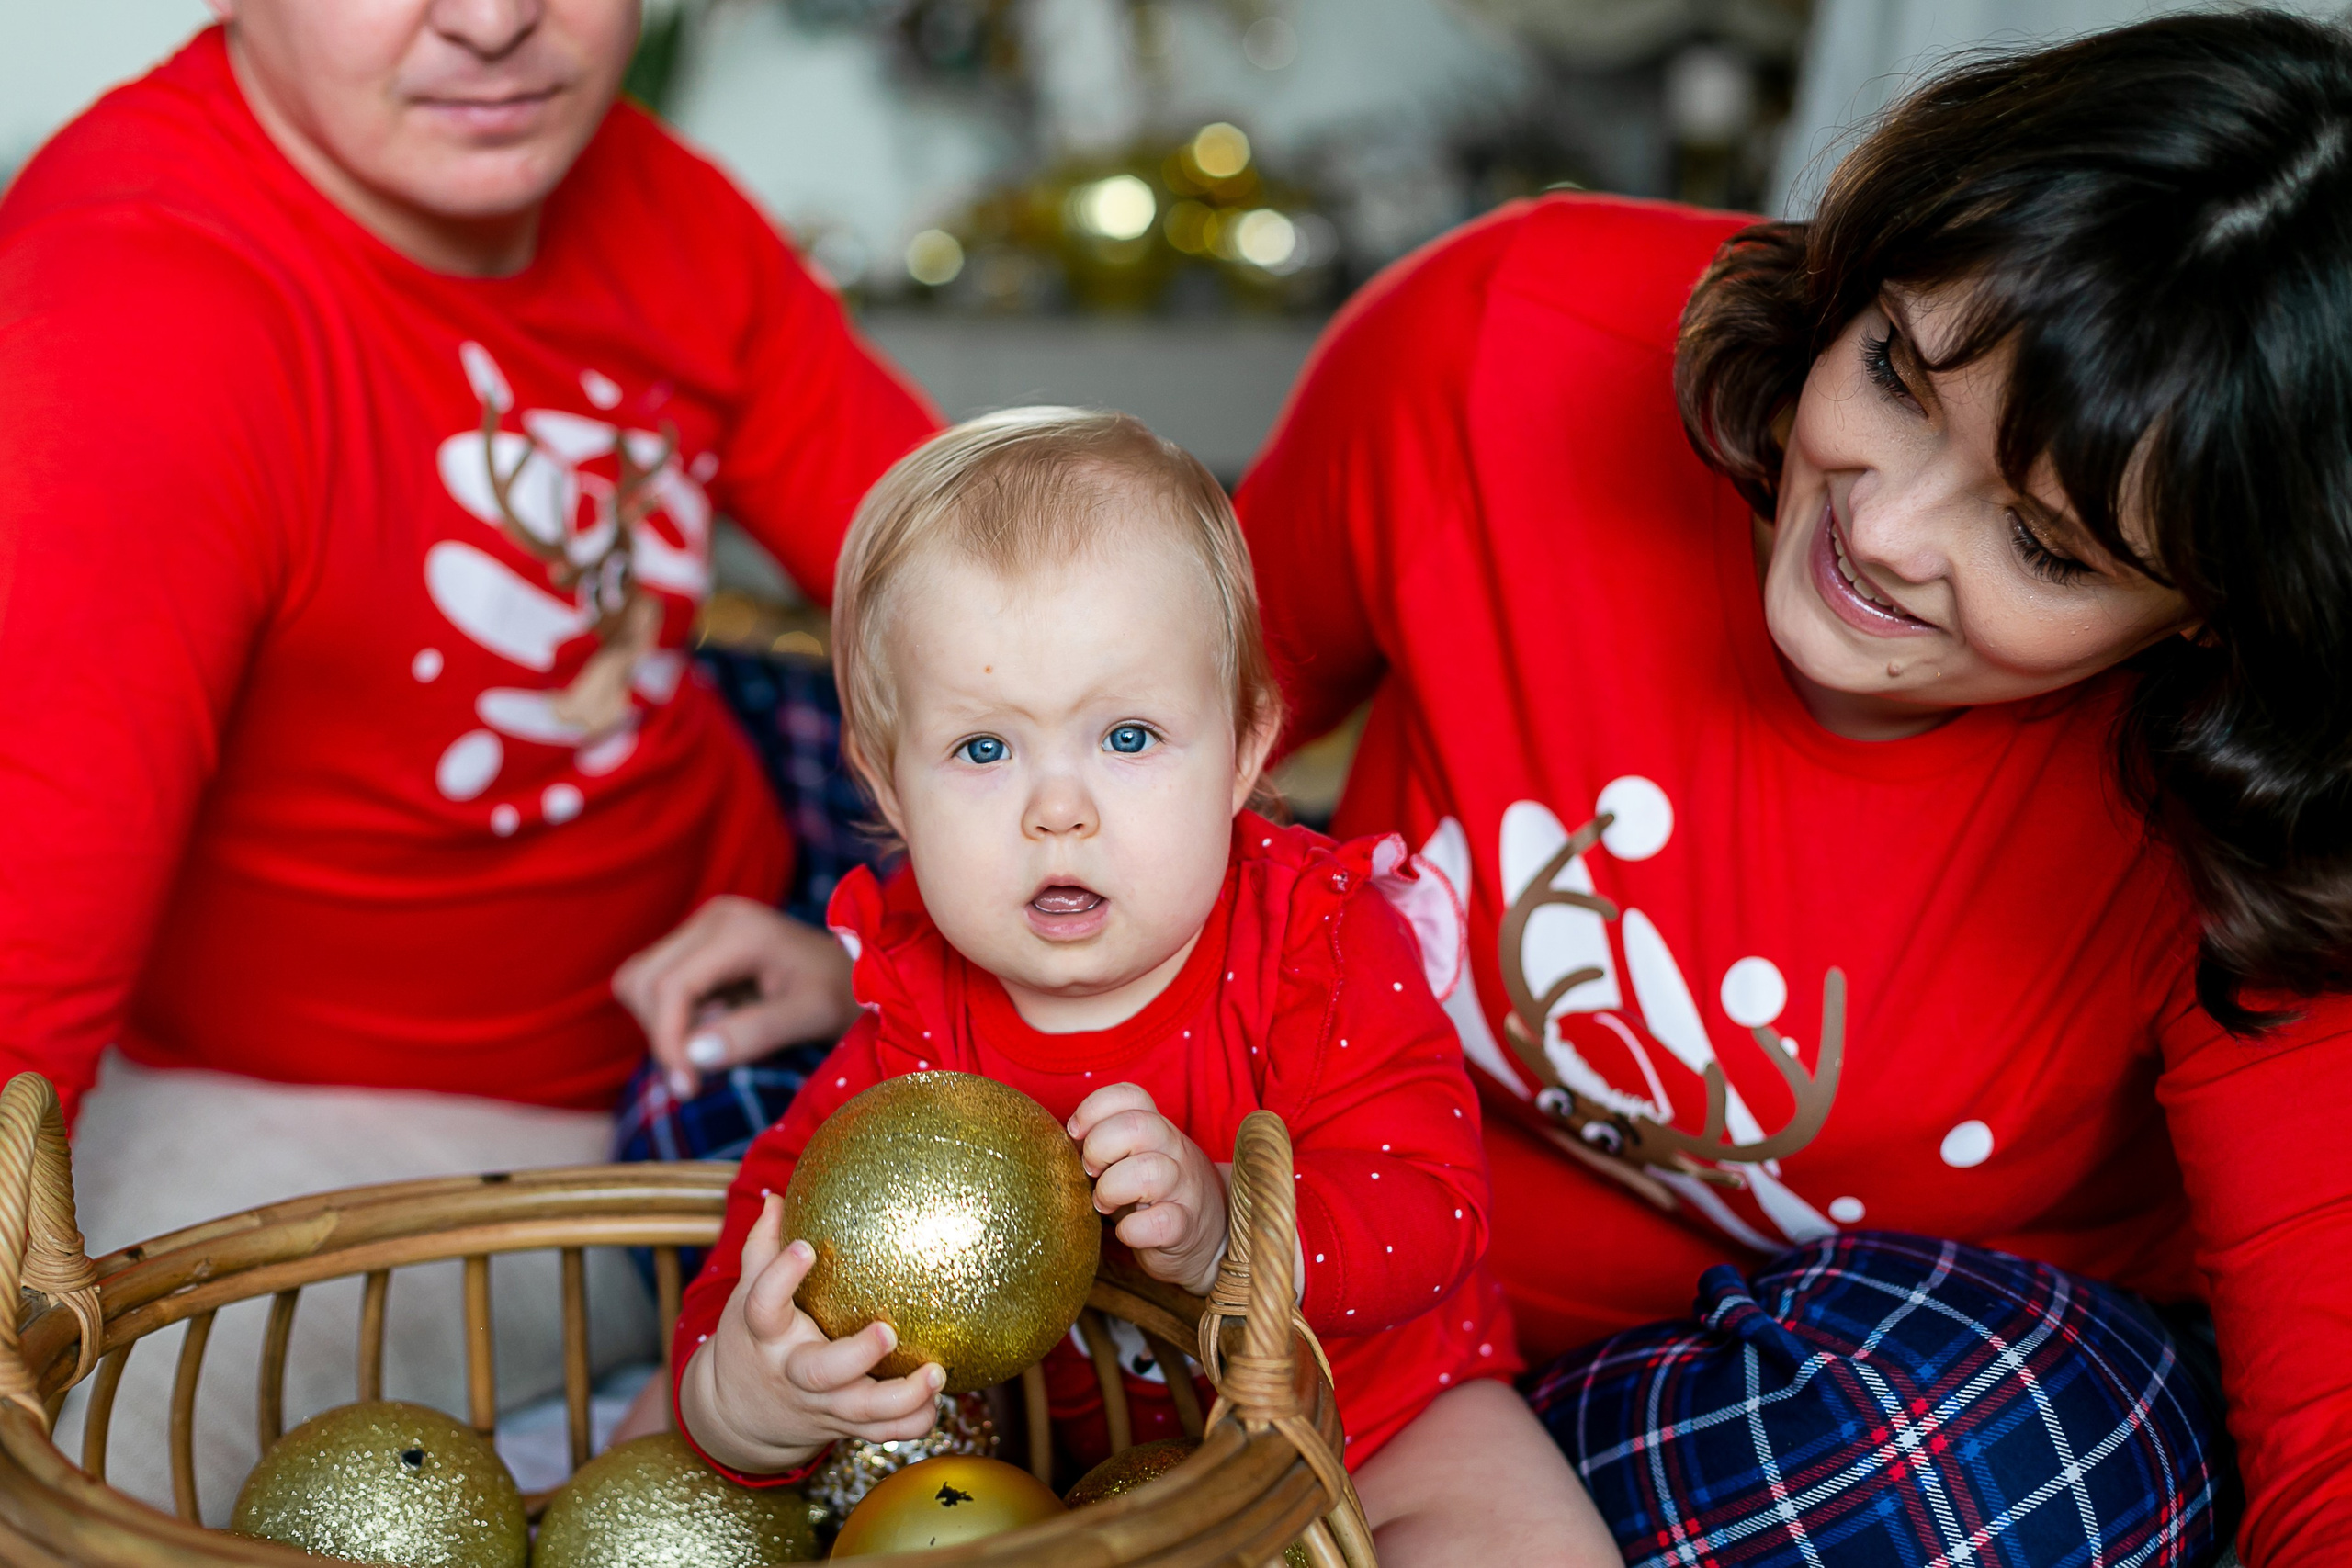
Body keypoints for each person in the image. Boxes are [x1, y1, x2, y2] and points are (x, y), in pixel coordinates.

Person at [1235, 10, 2352, 1567]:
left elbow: (2334, 1441)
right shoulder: (1507, 345)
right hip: (1347, 1316)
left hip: (1809, 1452)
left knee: (1987, 1454)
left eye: (2041, 545)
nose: (1886, 530)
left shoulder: (2271, 828)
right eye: (1897, 373)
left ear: (2214, 611)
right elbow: (1138, 726)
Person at [0, 0, 932, 1519]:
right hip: (307, 1097)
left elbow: (981, 593)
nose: (497, 21)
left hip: (736, 991)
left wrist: (879, 952)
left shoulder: (653, 195)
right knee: (86, 1473)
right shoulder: (135, 307)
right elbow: (19, 955)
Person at [670, 409, 1621, 1564]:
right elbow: (775, 1219)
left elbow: (1436, 1203)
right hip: (1045, 1464)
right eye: (983, 750)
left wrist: (1237, 1233)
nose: (1055, 808)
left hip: (1369, 1416)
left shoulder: (1320, 941)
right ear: (885, 781)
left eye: (1127, 737)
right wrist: (742, 1396)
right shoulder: (915, 1003)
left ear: (1246, 747)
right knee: (697, 1444)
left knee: (1518, 1542)